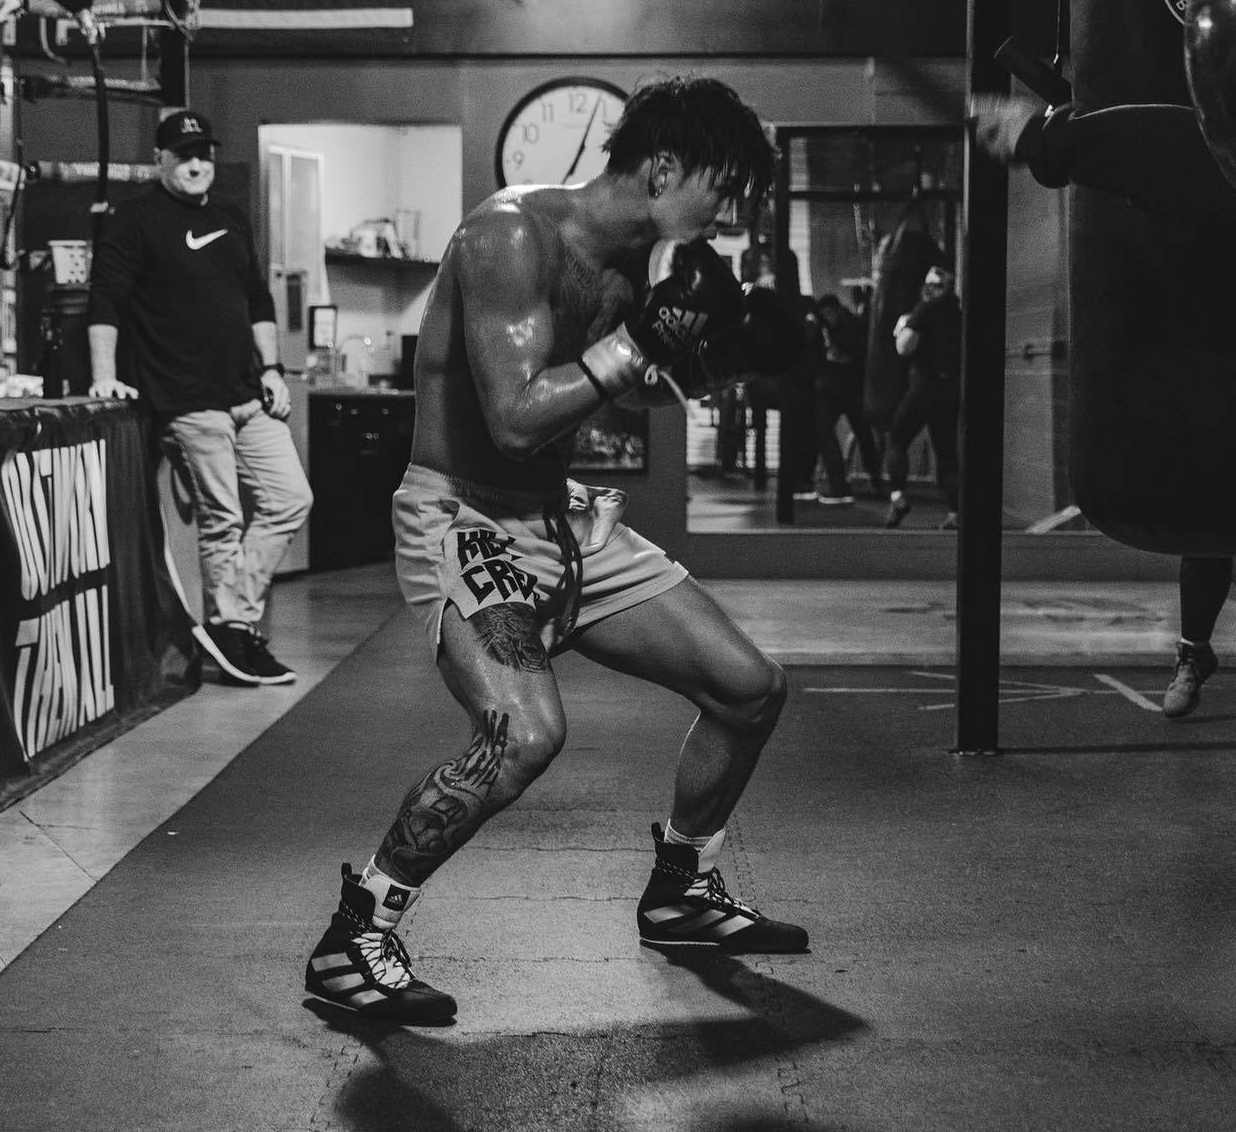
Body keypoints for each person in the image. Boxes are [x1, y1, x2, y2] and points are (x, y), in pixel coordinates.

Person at [303, 76, 808, 1024]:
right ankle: (353, 936)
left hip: (565, 525)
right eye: (725, 187)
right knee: (523, 734)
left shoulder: (634, 264)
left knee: (750, 688)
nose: (731, 213)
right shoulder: (509, 237)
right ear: (663, 169)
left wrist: (723, 352)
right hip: (467, 520)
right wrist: (642, 341)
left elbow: (623, 388)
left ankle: (682, 890)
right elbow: (516, 420)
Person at [86, 109, 313, 688]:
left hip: (246, 391)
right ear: (161, 160)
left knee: (291, 498)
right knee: (223, 518)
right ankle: (234, 628)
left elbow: (258, 302)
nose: (196, 165)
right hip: (186, 398)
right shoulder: (135, 220)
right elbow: (105, 301)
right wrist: (104, 375)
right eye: (184, 155)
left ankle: (230, 621)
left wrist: (273, 369)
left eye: (204, 155)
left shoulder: (232, 217)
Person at [882, 266, 961, 529]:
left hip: (924, 387)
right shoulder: (958, 313)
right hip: (951, 389)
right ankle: (956, 514)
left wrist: (904, 327)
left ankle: (898, 497)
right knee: (947, 454)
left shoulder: (925, 309)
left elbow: (904, 347)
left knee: (896, 437)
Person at [811, 292, 883, 504]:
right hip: (844, 388)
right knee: (855, 434)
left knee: (854, 433)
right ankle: (872, 478)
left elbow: (857, 354)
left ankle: (859, 478)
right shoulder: (835, 326)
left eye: (829, 314)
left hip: (844, 388)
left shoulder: (845, 326)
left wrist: (841, 357)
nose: (828, 317)